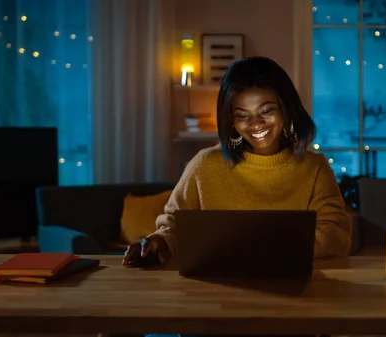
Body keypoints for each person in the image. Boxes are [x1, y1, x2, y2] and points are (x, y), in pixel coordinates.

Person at [122, 56, 352, 270]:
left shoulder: (314, 168)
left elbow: (336, 234)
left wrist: (260, 247)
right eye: (242, 115)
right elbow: (173, 225)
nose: (256, 123)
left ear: (286, 109)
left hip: (295, 284)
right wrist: (158, 241)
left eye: (266, 111)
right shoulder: (204, 165)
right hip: (217, 288)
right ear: (230, 119)